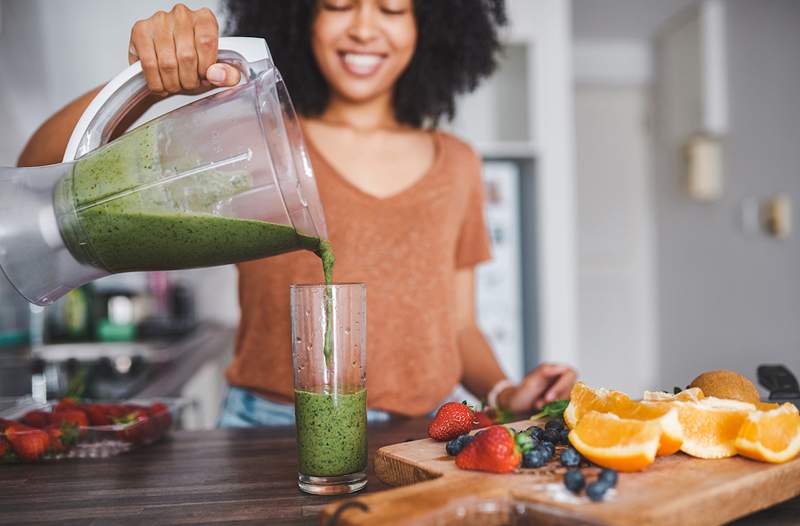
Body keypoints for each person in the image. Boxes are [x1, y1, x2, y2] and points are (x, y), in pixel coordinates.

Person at [19, 0, 577, 426]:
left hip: (428, 432)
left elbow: (458, 326)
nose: (363, 27)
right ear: (301, 15)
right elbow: (37, 168)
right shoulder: (250, 135)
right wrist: (152, 83)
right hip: (265, 429)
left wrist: (505, 392)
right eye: (337, 4)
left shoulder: (457, 163)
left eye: (391, 8)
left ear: (428, 25)